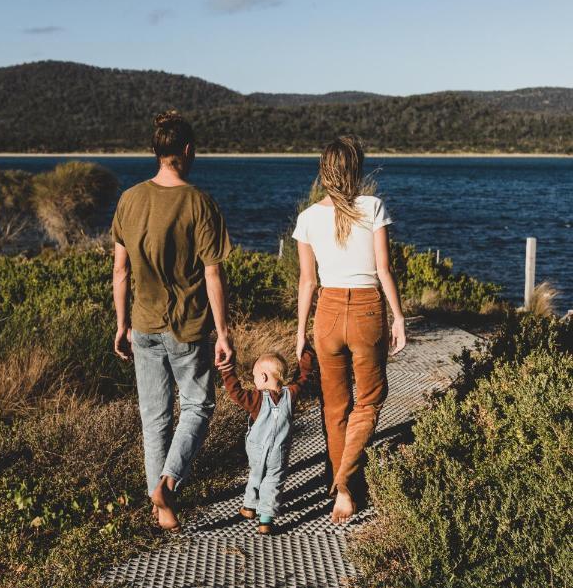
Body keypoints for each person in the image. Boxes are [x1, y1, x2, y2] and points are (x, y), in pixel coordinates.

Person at [112, 110, 233, 531]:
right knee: (199, 405)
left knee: (155, 417)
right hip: (188, 327)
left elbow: (120, 271)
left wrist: (121, 324)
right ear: (186, 150)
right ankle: (167, 483)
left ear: (157, 151)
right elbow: (213, 273)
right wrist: (225, 332)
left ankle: (158, 504)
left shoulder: (128, 199)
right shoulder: (199, 202)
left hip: (142, 325)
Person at [292, 136, 406, 524]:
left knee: (335, 405)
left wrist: (299, 331)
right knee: (370, 400)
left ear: (324, 172)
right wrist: (399, 317)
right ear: (355, 170)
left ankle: (344, 484)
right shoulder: (372, 207)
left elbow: (307, 281)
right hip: (366, 311)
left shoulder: (307, 218)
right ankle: (344, 484)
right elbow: (384, 270)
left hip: (326, 313)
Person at [218, 348, 315, 534]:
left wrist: (227, 370)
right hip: (279, 452)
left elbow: (235, 392)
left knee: (256, 474)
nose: (254, 381)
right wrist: (306, 354)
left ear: (262, 378)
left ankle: (248, 507)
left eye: (255, 377)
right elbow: (303, 377)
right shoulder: (291, 394)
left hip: (256, 449)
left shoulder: (256, 399)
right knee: (273, 482)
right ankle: (265, 520)